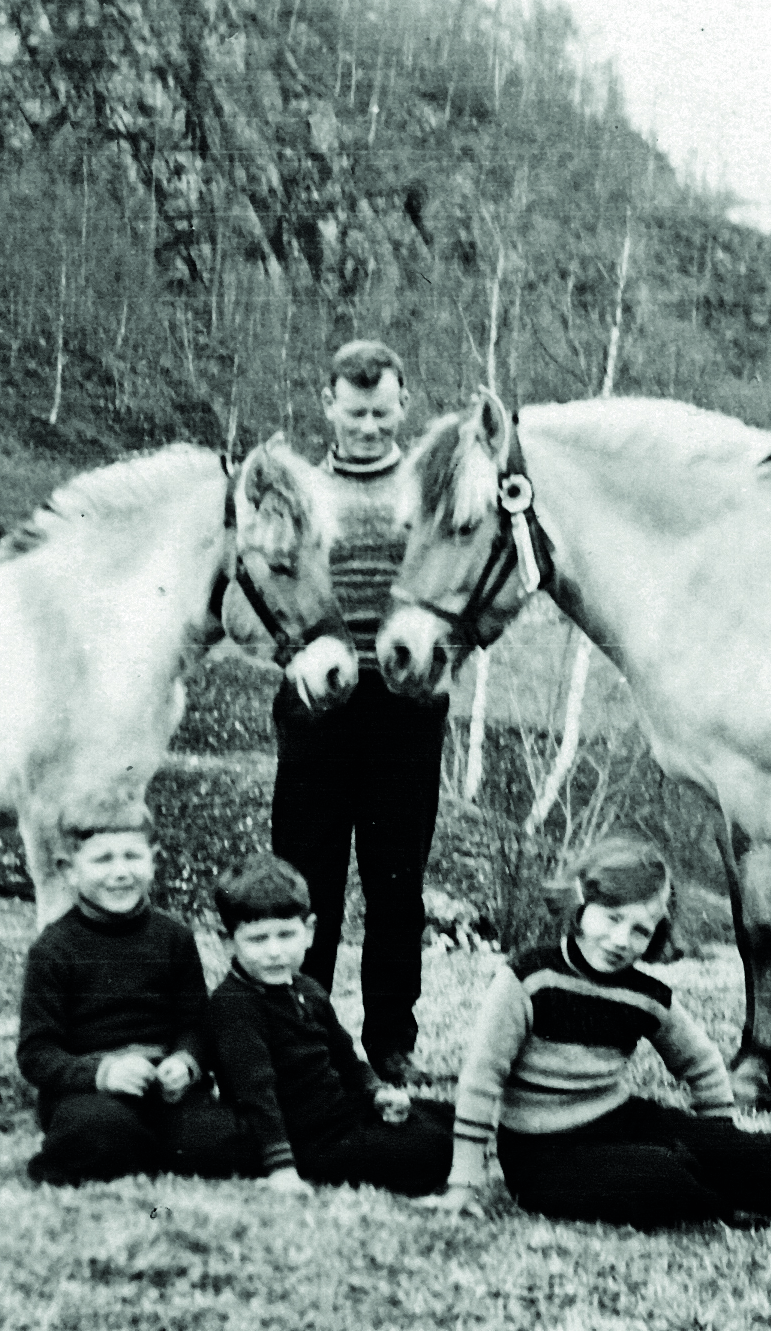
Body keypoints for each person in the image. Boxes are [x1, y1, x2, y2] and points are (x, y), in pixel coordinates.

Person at [425, 837, 771, 1234]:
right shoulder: (528, 976)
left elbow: (703, 1064)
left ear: (657, 932)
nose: (621, 939)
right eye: (610, 918)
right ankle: (734, 1206)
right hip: (543, 1156)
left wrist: (723, 1138)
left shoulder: (647, 995)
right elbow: (481, 1078)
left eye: (641, 928)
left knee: (750, 1155)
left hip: (618, 1119)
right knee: (664, 1177)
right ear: (580, 904)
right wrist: (464, 1181)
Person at [269, 339, 448, 1086]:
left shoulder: (431, 490)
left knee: (396, 883)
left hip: (406, 711)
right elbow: (269, 591)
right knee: (307, 882)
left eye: (381, 413)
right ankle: (300, 1030)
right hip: (316, 707)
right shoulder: (299, 488)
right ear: (327, 405)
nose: (368, 427)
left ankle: (390, 1043)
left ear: (403, 403)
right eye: (354, 413)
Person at [203, 856, 455, 1196]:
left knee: (447, 1115)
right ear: (230, 941)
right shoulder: (234, 1004)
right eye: (258, 939)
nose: (275, 952)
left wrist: (376, 1091)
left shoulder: (308, 988)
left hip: (337, 1112)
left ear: (309, 932)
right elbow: (256, 1094)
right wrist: (282, 1169)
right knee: (430, 1149)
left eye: (286, 935)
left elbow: (345, 1059)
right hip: (301, 1137)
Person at [15, 833, 244, 1185]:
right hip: (91, 1095)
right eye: (102, 860)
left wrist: (185, 1063)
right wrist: (102, 1073)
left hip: (166, 1093)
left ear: (152, 861)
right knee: (101, 1130)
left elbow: (196, 1025)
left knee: (226, 1139)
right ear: (69, 870)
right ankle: (129, 1149)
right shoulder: (54, 948)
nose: (120, 872)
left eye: (132, 857)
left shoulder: (174, 937)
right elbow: (36, 1052)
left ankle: (149, 1150)